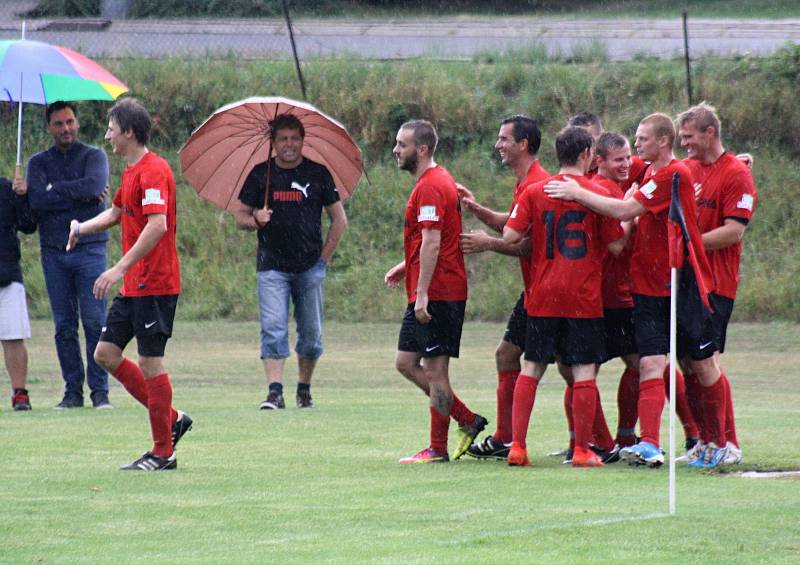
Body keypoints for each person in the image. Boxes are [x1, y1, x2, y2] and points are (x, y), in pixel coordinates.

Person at [545, 113, 728, 468]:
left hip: (678, 281)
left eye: (642, 139)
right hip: (646, 287)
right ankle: (650, 444)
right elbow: (618, 163)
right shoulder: (649, 171)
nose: (636, 145)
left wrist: (576, 191)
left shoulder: (671, 174)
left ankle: (717, 441)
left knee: (701, 363)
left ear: (662, 141)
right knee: (650, 363)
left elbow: (625, 208)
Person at [66, 98, 192, 471]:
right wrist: (81, 227)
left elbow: (157, 225)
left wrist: (117, 268)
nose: (107, 135)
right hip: (136, 285)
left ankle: (162, 452)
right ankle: (171, 419)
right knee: (105, 354)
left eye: (111, 129)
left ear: (130, 132)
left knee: (151, 362)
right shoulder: (131, 171)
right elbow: (117, 213)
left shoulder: (154, 171)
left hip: (156, 284)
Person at [502, 126, 624, 468]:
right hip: (583, 296)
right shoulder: (596, 194)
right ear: (587, 155)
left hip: (542, 293)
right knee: (584, 371)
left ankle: (518, 447)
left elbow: (511, 235)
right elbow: (616, 245)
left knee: (532, 367)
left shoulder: (536, 191)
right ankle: (583, 450)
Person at [384, 119, 486, 463]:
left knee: (435, 371)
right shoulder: (435, 182)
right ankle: (467, 419)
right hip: (427, 287)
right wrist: (406, 265)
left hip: (439, 292)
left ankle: (438, 448)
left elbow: (433, 239)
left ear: (422, 149)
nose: (396, 150)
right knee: (405, 362)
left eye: (402, 144)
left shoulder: (430, 185)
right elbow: (429, 237)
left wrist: (424, 293)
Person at [235, 114, 347, 410]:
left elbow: (339, 220)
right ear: (272, 143)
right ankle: (274, 391)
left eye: (294, 138)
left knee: (311, 335)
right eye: (283, 139)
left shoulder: (319, 173)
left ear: (302, 140)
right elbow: (240, 217)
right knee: (273, 328)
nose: (289, 145)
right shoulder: (261, 175)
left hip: (310, 267)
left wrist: (323, 259)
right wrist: (255, 219)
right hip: (271, 266)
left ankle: (304, 389)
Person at [454, 115, 550, 460]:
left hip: (547, 291)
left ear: (523, 144)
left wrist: (487, 243)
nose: (498, 145)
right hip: (535, 289)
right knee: (507, 354)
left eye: (504, 139)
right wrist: (476, 209)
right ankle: (505, 436)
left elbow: (528, 245)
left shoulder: (537, 183)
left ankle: (593, 442)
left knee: (572, 367)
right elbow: (514, 224)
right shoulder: (525, 182)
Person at [16, 101, 112, 409]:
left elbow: (94, 184)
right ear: (49, 127)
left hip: (90, 250)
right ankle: (73, 392)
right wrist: (79, 195)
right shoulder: (38, 162)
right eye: (58, 123)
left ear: (78, 123)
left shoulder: (94, 156)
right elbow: (37, 203)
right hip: (54, 253)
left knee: (95, 322)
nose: (65, 128)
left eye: (69, 121)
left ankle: (100, 393)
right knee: (64, 326)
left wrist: (53, 189)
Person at [677, 102, 758, 465]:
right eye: (680, 137)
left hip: (715, 284)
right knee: (687, 362)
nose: (684, 143)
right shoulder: (687, 169)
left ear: (710, 133)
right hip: (683, 280)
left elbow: (733, 231)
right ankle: (705, 442)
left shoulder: (736, 173)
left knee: (705, 360)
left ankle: (729, 443)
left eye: (689, 136)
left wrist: (690, 242)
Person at [1, 176, 37, 410]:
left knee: (13, 335)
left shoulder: (6, 188)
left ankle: (19, 393)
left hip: (6, 271)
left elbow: (28, 224)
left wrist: (23, 196)